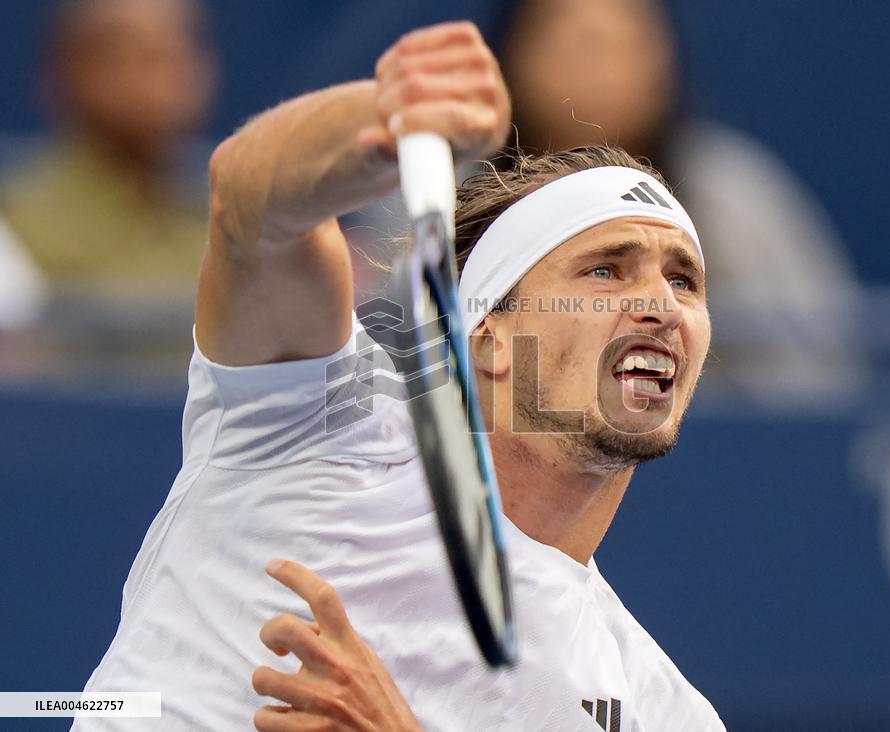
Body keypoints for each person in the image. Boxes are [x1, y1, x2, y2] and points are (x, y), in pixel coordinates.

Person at [76, 21, 724, 731]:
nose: (661, 306)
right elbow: (251, 204)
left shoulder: (664, 713)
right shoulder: (319, 424)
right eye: (605, 271)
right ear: (488, 337)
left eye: (683, 281)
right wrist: (385, 119)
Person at [499, 0, 864, 405]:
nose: (599, 68)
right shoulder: (465, 199)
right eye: (580, 43)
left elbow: (813, 380)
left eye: (626, 43)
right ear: (515, 56)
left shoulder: (728, 198)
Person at [0, 0, 216, 303]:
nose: (171, 80)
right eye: (146, 58)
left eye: (181, 53)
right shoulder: (17, 229)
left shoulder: (226, 218)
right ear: (73, 71)